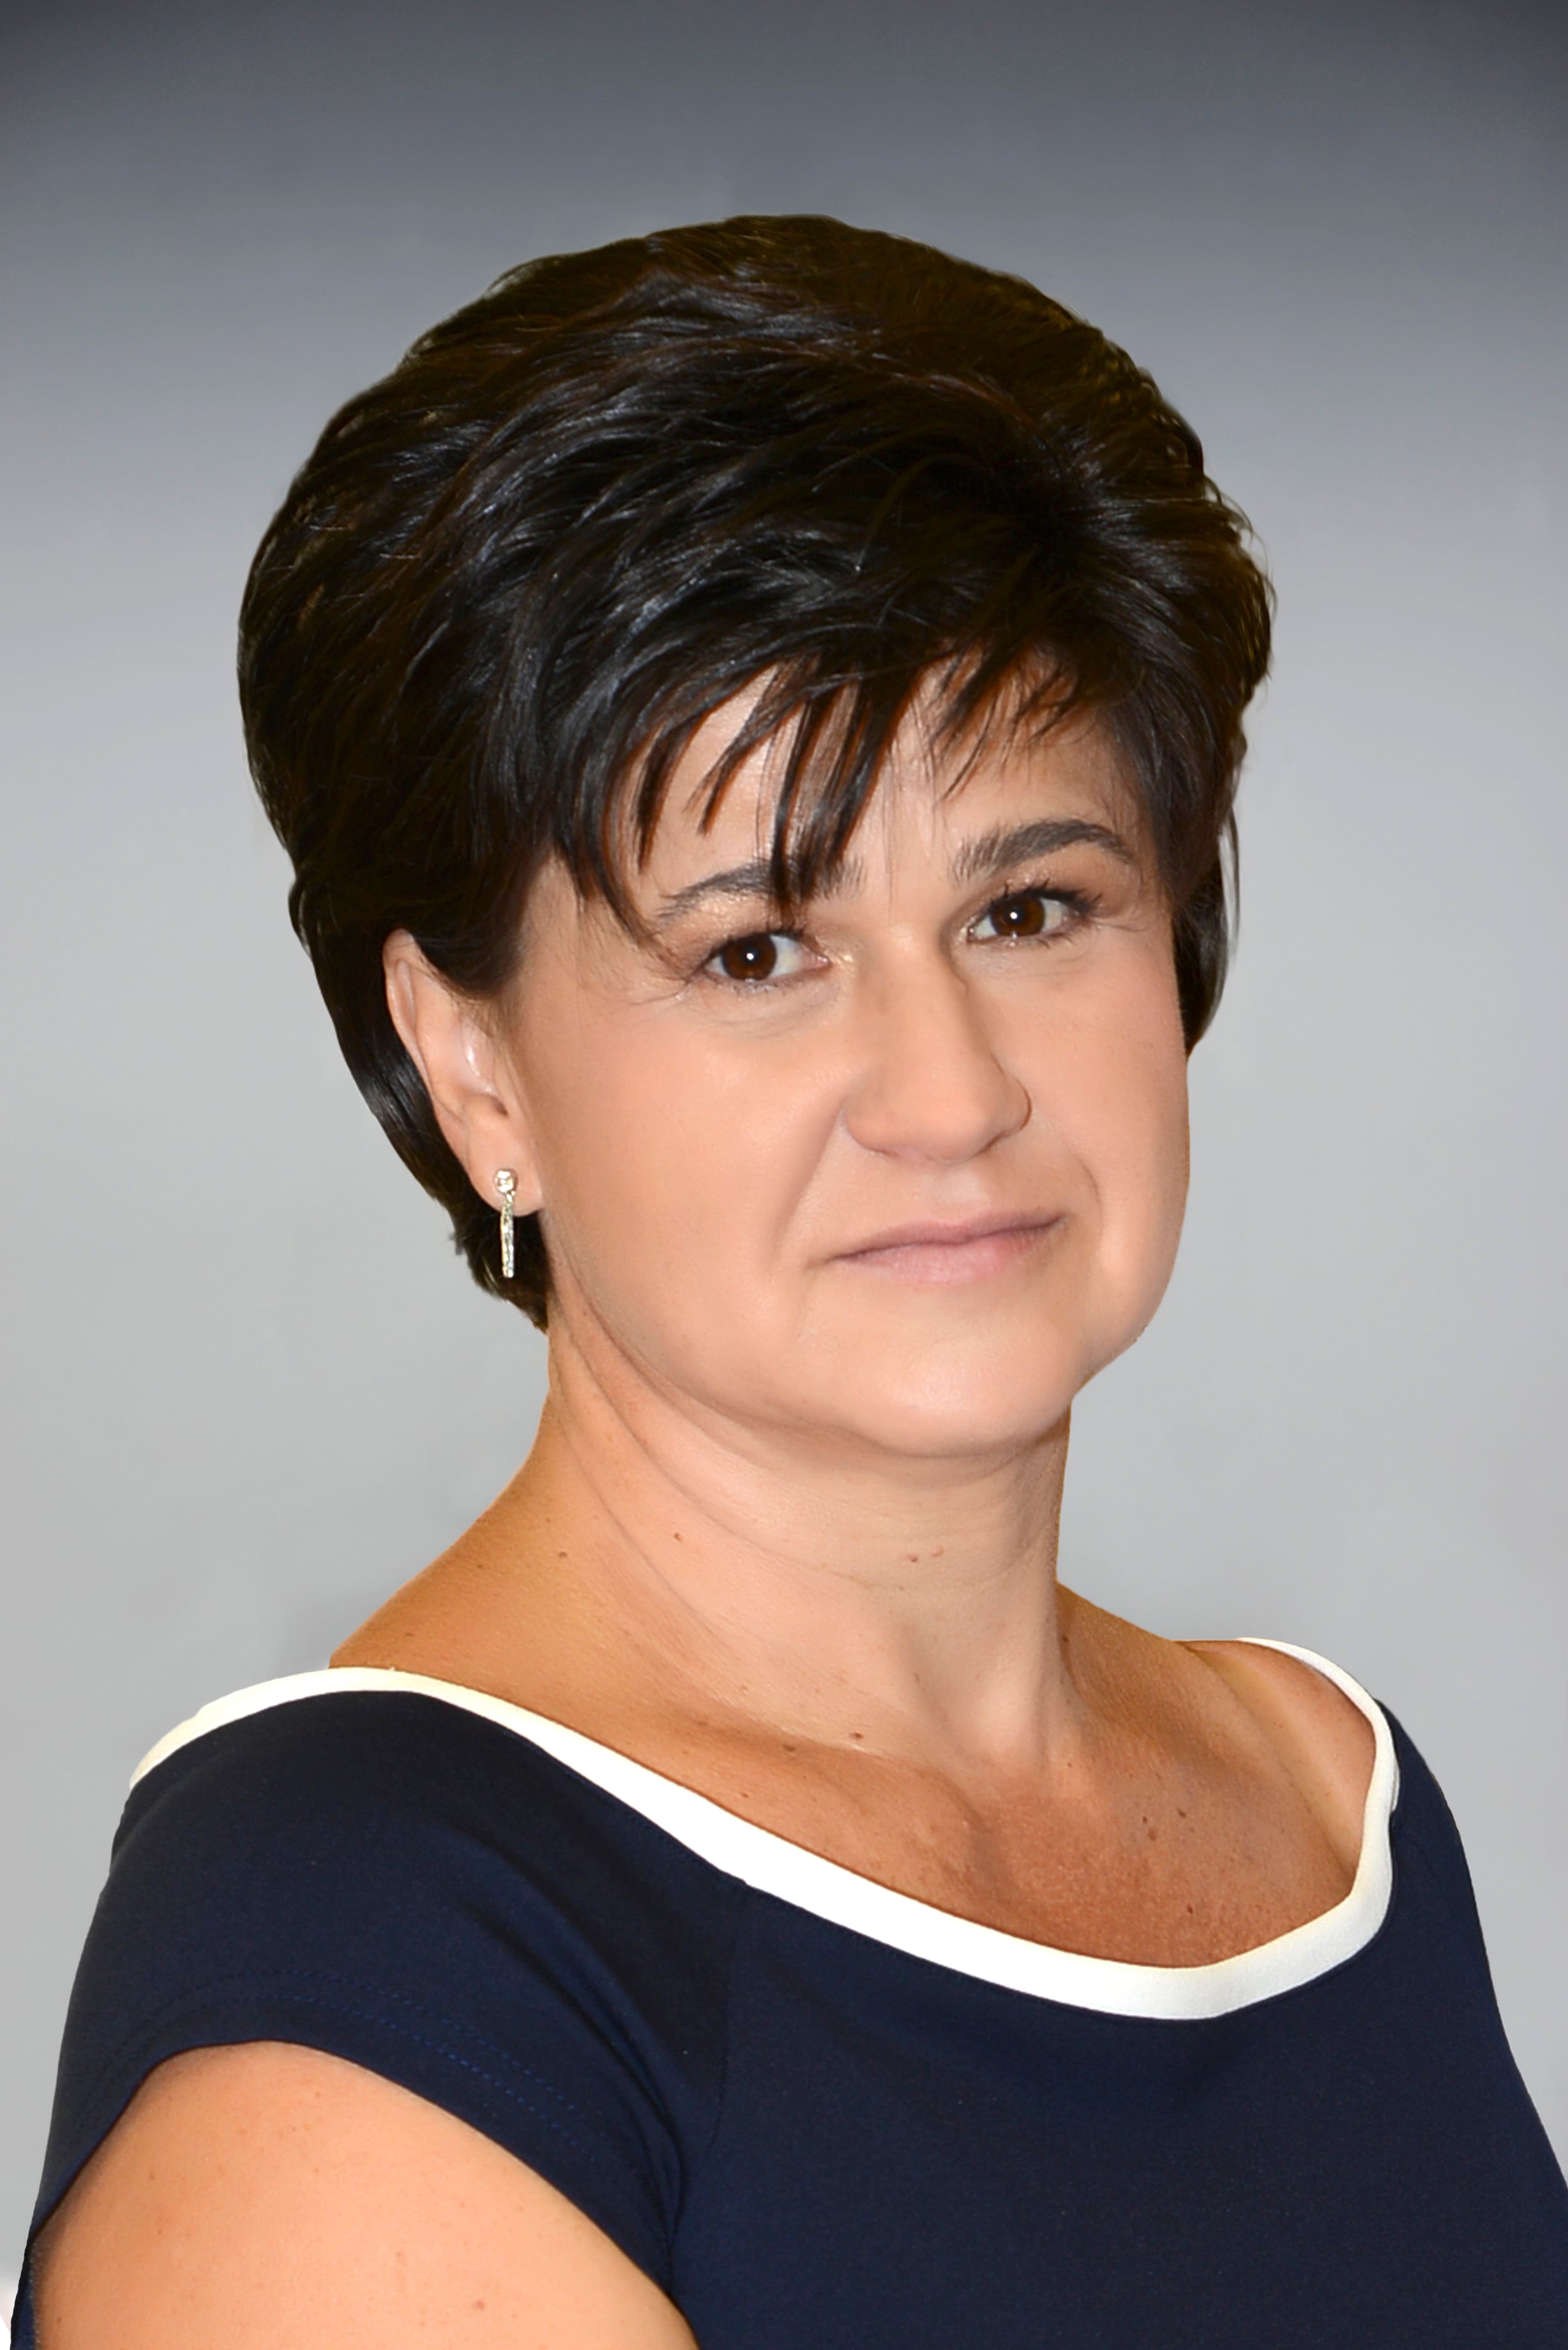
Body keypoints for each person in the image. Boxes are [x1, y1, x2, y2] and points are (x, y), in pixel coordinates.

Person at [19, 215, 1568, 2347]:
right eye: (758, 950)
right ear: (473, 1064)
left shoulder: (1330, 1802)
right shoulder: (364, 2016)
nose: (951, 1093)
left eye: (1031, 909)